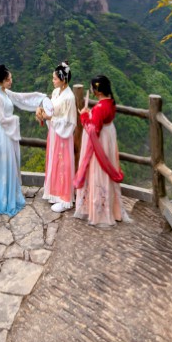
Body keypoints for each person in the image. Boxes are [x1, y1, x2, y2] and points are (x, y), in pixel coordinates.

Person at [0, 64, 49, 217]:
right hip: (3, 134)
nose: (11, 81)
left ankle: (11, 194)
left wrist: (40, 97)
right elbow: (1, 119)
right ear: (0, 81)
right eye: (8, 80)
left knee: (11, 162)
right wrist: (15, 119)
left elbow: (21, 98)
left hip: (8, 133)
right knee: (4, 163)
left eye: (11, 78)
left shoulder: (5, 92)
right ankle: (3, 198)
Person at [74, 74, 125, 227]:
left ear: (98, 91)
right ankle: (109, 209)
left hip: (99, 143)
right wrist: (91, 114)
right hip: (108, 139)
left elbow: (92, 130)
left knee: (98, 171)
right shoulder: (110, 103)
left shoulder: (100, 108)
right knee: (106, 171)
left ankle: (98, 212)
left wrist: (84, 115)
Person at [34, 61, 77, 212]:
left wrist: (50, 118)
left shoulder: (69, 98)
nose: (52, 80)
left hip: (63, 135)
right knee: (54, 162)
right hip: (54, 132)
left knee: (63, 164)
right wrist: (41, 111)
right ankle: (55, 194)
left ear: (63, 80)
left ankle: (65, 199)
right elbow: (50, 109)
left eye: (55, 78)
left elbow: (70, 121)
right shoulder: (55, 93)